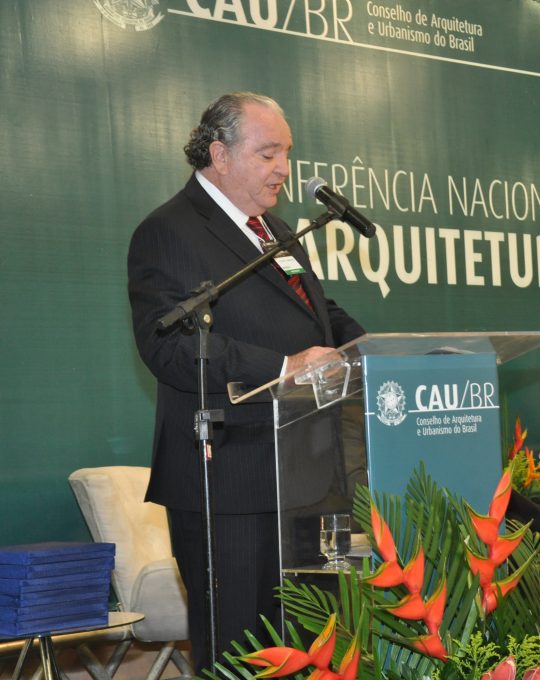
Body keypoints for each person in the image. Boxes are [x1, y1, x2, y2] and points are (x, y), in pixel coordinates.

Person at [127, 92, 365, 671]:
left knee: (317, 644)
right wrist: (282, 368)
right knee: (244, 652)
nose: (284, 169)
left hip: (305, 477)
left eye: (286, 153)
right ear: (220, 154)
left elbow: (320, 314)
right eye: (268, 154)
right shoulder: (169, 231)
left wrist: (370, 350)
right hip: (227, 478)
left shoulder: (275, 229)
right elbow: (169, 346)